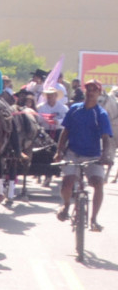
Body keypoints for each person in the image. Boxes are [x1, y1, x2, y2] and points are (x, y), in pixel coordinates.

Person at [55, 79, 114, 231]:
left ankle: (94, 219)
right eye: (89, 89)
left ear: (99, 93)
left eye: (95, 89)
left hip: (93, 155)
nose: (91, 92)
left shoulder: (101, 114)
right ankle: (66, 205)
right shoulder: (74, 109)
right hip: (73, 153)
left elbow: (106, 137)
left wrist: (106, 156)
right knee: (67, 182)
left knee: (98, 184)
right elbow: (65, 132)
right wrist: (59, 151)